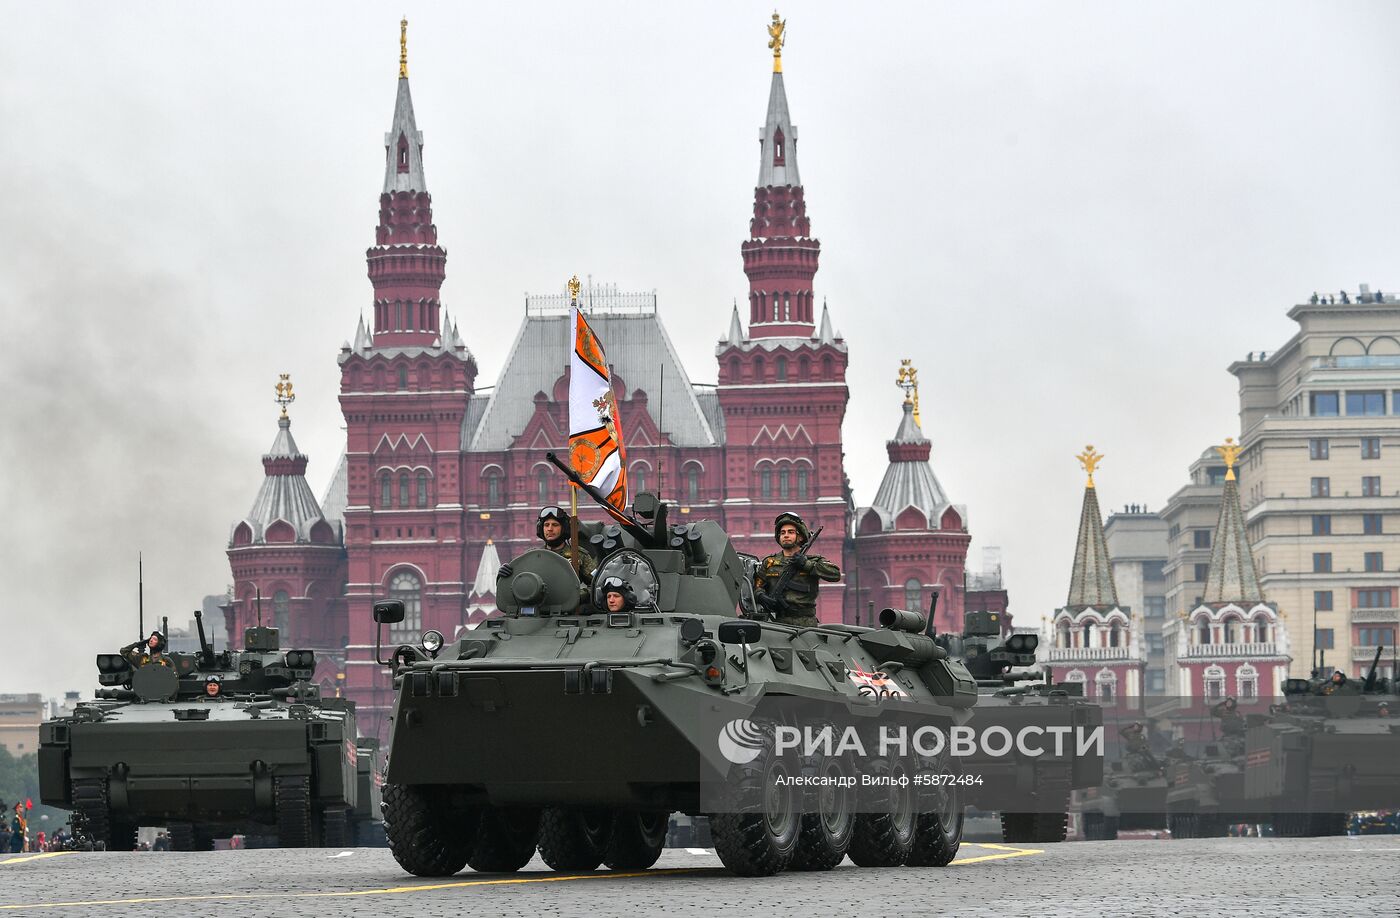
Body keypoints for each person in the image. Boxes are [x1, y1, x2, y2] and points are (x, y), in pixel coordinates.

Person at [753, 512, 841, 628]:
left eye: (791, 532)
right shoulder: (769, 563)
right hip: (778, 623)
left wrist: (806, 565)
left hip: (806, 623)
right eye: (782, 533)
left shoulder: (813, 560)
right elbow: (757, 586)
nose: (786, 535)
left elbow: (835, 574)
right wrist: (760, 596)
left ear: (800, 537)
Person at [498, 506, 596, 584]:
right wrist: (504, 574)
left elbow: (596, 583)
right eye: (546, 525)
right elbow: (515, 584)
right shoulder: (532, 556)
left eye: (555, 525)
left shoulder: (578, 555)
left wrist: (580, 595)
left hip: (570, 603)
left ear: (564, 528)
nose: (550, 529)